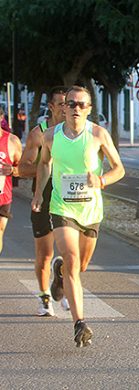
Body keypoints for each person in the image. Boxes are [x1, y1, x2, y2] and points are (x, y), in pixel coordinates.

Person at [32, 85, 125, 347]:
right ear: (63, 108)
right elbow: (44, 163)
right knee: (73, 260)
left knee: (80, 266)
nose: (75, 109)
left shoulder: (98, 134)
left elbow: (119, 169)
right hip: (62, 207)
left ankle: (59, 272)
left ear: (89, 109)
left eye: (81, 104)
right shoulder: (50, 136)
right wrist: (39, 193)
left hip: (90, 209)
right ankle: (79, 323)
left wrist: (102, 180)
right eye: (70, 104)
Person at [18, 86, 68, 317]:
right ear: (51, 107)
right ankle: (44, 297)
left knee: (72, 253)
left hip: (71, 200)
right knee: (45, 254)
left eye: (70, 104)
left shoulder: (77, 133)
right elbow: (23, 168)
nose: (67, 108)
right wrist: (45, 165)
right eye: (61, 104)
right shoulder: (39, 133)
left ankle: (63, 284)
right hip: (45, 198)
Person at [0, 110, 22, 254]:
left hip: (3, 196)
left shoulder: (12, 141)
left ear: (1, 118)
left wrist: (14, 170)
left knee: (0, 229)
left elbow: (24, 168)